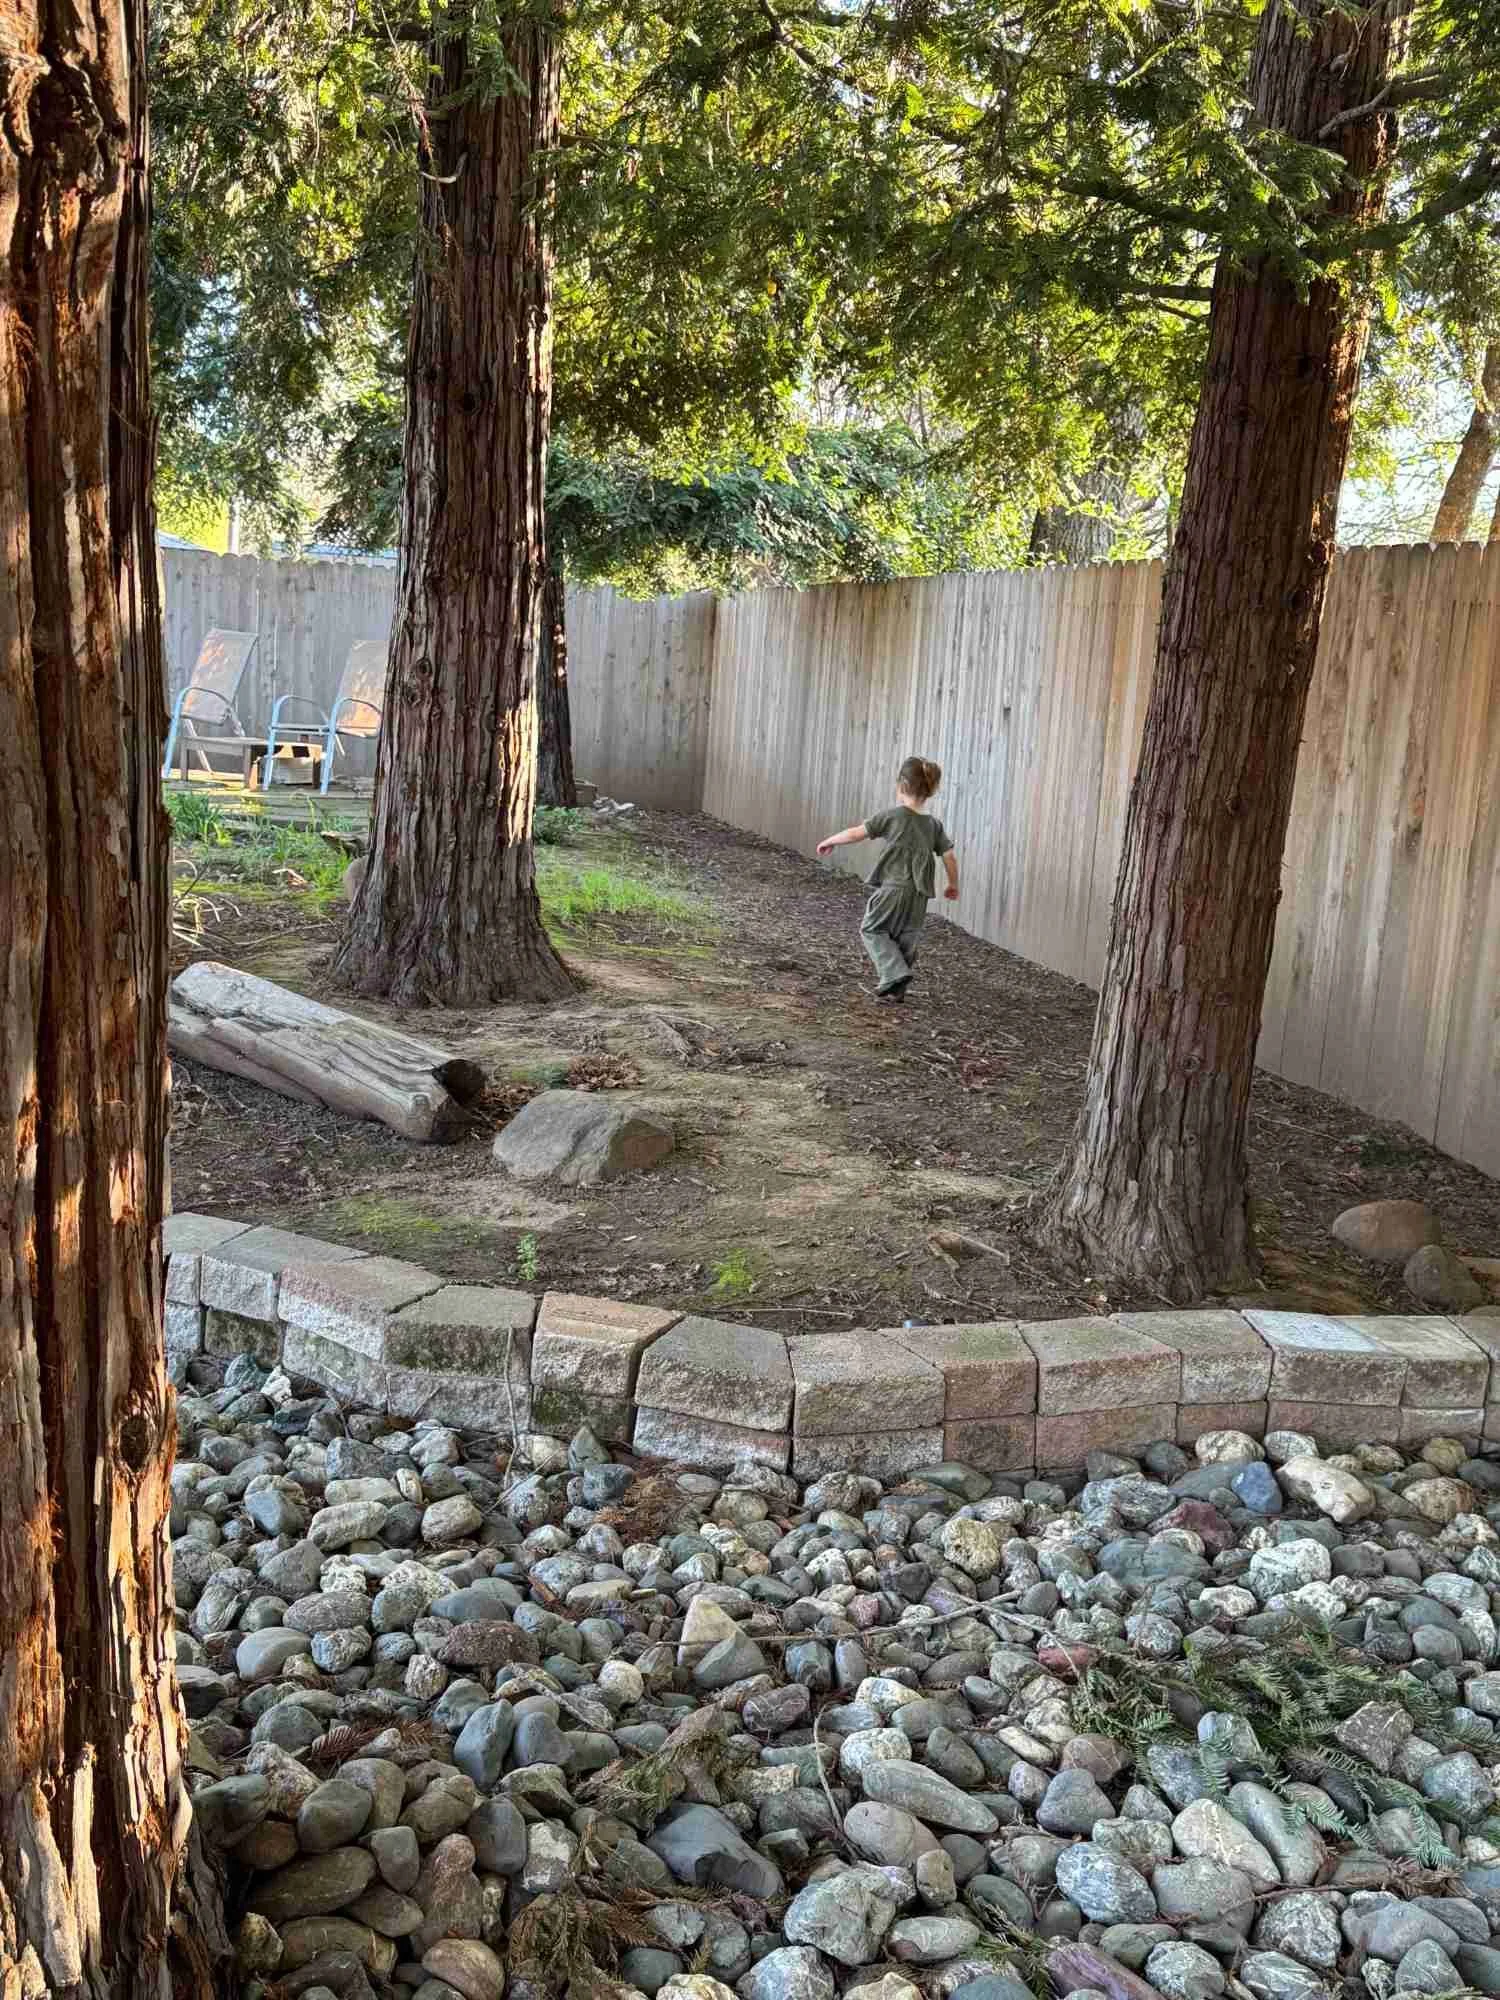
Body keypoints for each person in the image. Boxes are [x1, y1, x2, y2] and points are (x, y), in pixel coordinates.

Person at [816, 756, 959, 1001]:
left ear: (901, 786)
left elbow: (856, 833)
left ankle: (893, 974)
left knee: (872, 928)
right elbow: (949, 857)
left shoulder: (894, 816)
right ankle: (897, 990)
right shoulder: (933, 825)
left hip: (894, 886)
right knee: (906, 937)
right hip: (919, 895)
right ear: (930, 790)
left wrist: (830, 840)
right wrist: (953, 884)